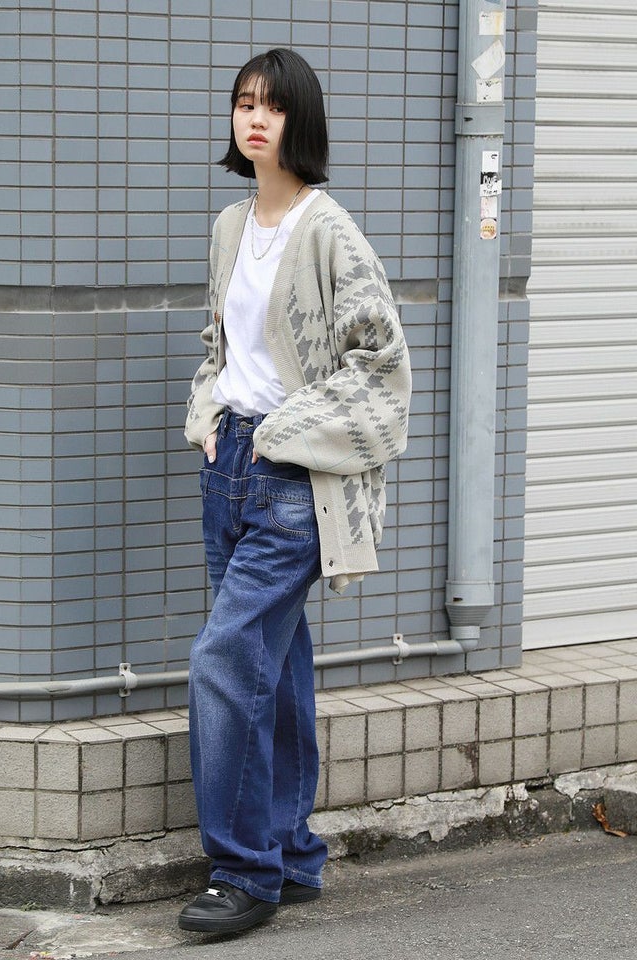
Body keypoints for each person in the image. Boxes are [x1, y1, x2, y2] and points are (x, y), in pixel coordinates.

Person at [180, 48, 411, 934]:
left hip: (291, 482)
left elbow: (382, 364)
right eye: (244, 103)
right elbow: (222, 345)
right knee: (271, 670)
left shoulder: (329, 231)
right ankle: (289, 852)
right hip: (227, 470)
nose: (255, 118)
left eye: (272, 106)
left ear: (298, 121)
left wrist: (283, 431)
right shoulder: (230, 225)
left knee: (224, 659)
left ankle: (243, 874)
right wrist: (210, 413)